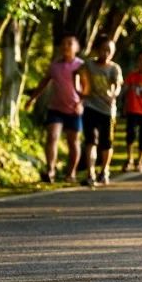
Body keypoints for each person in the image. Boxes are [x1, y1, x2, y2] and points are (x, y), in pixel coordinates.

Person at [26, 34, 86, 183]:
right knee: (52, 137)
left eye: (70, 44)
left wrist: (81, 103)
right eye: (63, 43)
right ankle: (50, 170)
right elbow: (44, 82)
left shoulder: (81, 65)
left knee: (73, 142)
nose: (66, 46)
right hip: (56, 108)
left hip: (74, 109)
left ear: (76, 48)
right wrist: (32, 99)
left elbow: (88, 89)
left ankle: (71, 173)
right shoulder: (55, 66)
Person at [79, 37, 123, 186]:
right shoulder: (89, 64)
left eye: (109, 50)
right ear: (97, 49)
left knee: (106, 143)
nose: (106, 53)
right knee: (91, 141)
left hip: (108, 110)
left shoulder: (114, 68)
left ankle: (104, 171)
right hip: (90, 107)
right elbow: (77, 75)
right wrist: (80, 91)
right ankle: (90, 172)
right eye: (103, 49)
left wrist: (113, 95)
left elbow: (117, 85)